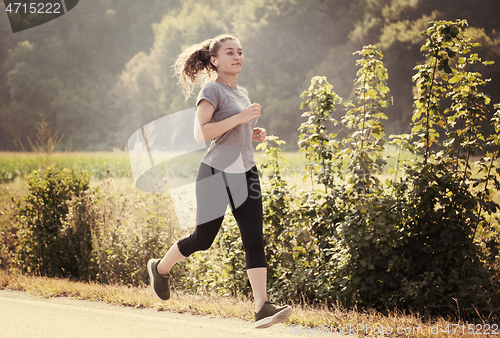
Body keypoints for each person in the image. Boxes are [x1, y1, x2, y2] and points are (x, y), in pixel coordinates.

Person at [146, 34, 292, 329]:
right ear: (215, 60)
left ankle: (262, 307)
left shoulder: (242, 92)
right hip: (216, 172)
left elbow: (229, 131)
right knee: (204, 239)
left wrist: (251, 132)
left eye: (240, 52)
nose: (237, 57)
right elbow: (202, 134)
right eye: (230, 52)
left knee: (254, 237)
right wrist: (241, 118)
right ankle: (160, 268)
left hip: (246, 171)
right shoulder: (211, 90)